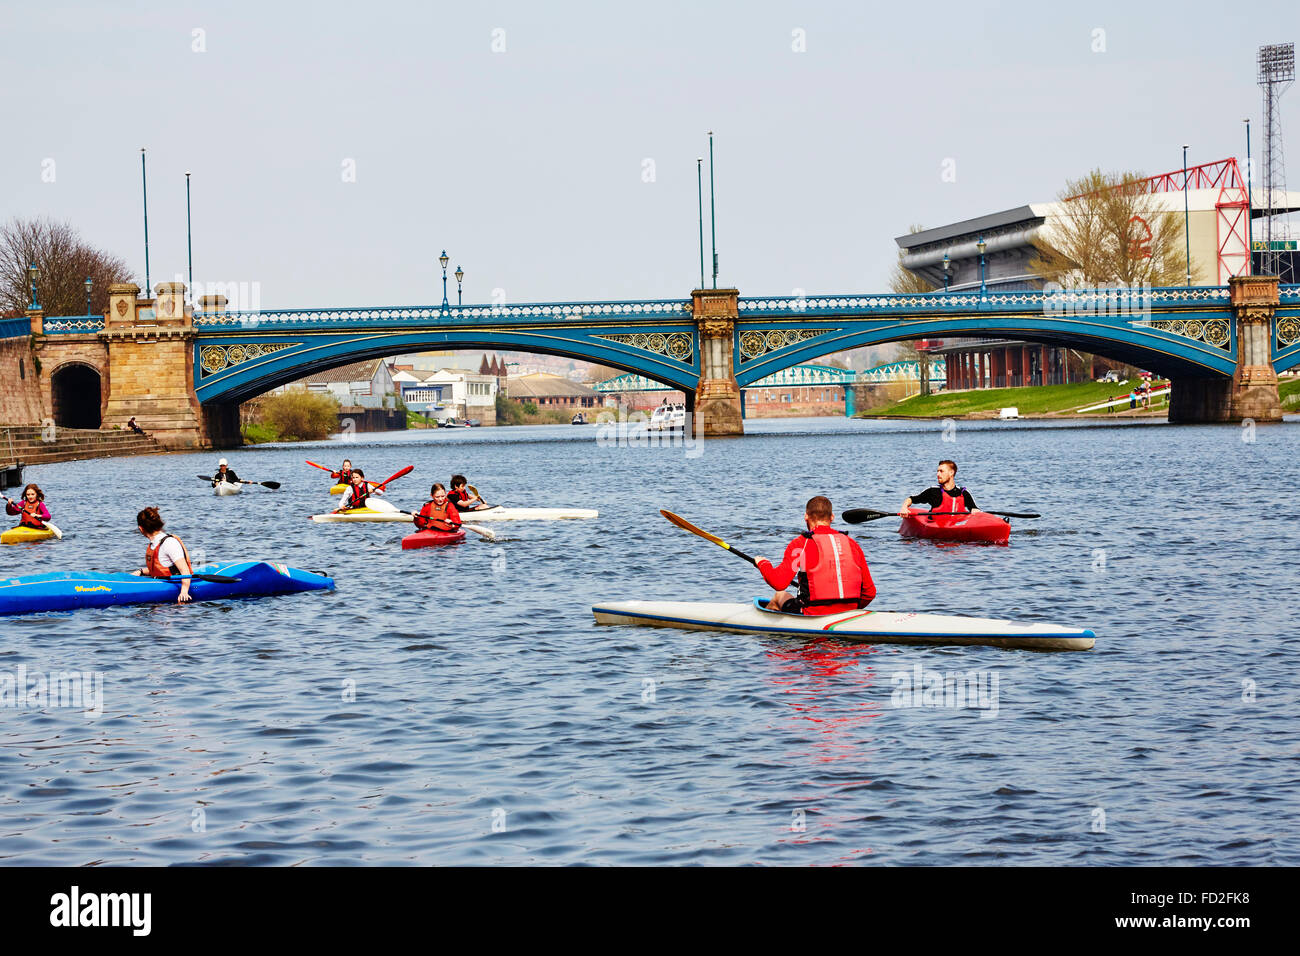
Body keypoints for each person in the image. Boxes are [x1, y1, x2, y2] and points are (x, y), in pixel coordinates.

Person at [757, 495, 875, 614]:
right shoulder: (852, 544)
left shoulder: (800, 544)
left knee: (779, 595)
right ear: (832, 517)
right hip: (849, 612)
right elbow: (869, 592)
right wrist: (849, 610)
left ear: (806, 517)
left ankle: (767, 628)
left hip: (812, 613)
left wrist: (762, 564)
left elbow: (779, 583)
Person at [132, 506, 193, 603]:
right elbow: (162, 567)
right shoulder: (154, 544)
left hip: (177, 584)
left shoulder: (169, 543)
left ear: (141, 529)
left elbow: (184, 570)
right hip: (162, 583)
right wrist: (141, 571)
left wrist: (184, 592)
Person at [900, 460, 979, 516]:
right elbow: (911, 499)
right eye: (937, 471)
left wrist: (975, 511)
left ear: (951, 473)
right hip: (936, 525)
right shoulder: (933, 491)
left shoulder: (963, 493)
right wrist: (904, 507)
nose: (938, 474)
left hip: (957, 524)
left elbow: (974, 509)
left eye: (941, 471)